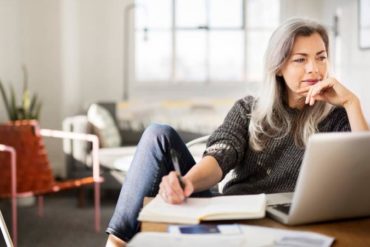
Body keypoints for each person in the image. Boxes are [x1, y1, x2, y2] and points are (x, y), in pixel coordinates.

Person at [105, 18, 369, 246]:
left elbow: (364, 174)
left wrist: (351, 103)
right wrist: (188, 183)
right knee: (157, 134)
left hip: (291, 220)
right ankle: (115, 242)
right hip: (234, 210)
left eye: (321, 57)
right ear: (279, 67)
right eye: (301, 59)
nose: (314, 68)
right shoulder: (248, 109)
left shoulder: (336, 116)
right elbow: (219, 158)